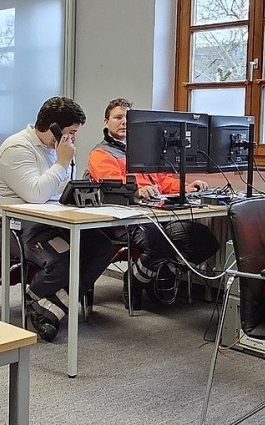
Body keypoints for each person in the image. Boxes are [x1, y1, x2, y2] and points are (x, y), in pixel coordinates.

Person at [0, 97, 115, 342]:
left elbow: (60, 190)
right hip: (7, 225)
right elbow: (36, 195)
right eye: (71, 132)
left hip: (45, 223)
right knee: (62, 261)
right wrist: (63, 161)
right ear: (53, 127)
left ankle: (46, 304)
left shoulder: (56, 149)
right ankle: (42, 304)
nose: (73, 139)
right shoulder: (17, 148)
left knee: (101, 246)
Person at [85, 98, 219, 309]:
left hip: (156, 214)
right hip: (124, 219)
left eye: (128, 118)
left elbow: (163, 181)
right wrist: (137, 192)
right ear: (106, 122)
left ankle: (159, 272)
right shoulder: (101, 154)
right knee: (159, 241)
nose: (123, 122)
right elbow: (111, 184)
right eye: (118, 117)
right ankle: (136, 281)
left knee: (205, 239)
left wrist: (187, 186)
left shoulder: (145, 151)